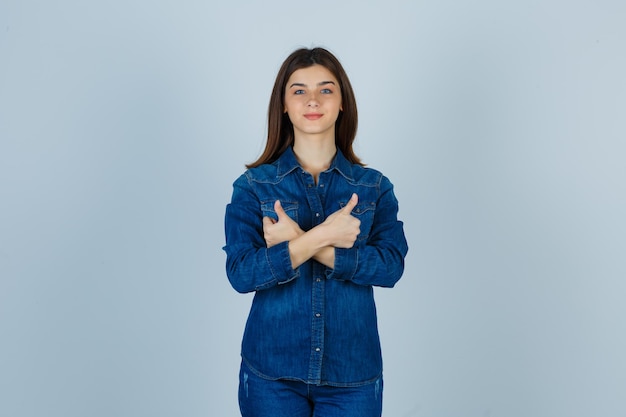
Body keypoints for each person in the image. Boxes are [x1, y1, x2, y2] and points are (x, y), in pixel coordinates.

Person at [223, 46, 408, 417]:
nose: (312, 100)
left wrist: (302, 243)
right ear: (284, 105)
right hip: (270, 375)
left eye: (326, 89)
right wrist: (324, 236)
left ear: (342, 103)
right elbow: (242, 274)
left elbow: (390, 267)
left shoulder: (374, 188)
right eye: (299, 91)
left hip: (352, 376)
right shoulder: (253, 186)